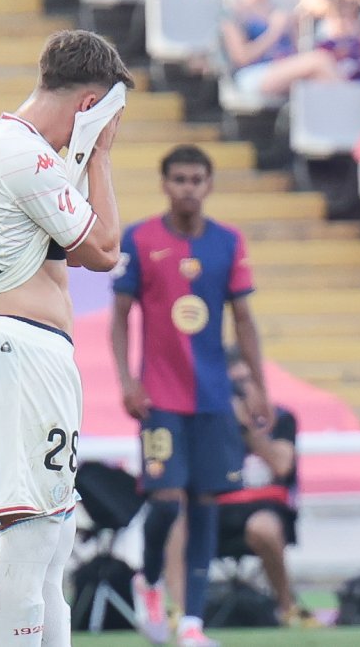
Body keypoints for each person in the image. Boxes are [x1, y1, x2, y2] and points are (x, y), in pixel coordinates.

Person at [0, 29, 132, 647]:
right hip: (20, 351)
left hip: (28, 350)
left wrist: (80, 154)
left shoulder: (10, 145)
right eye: (107, 115)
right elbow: (105, 250)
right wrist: (101, 153)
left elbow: (77, 249)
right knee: (32, 537)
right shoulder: (21, 152)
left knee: (56, 538)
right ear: (90, 105)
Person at [110, 144, 269, 647]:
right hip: (159, 400)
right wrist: (126, 380)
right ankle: (151, 579)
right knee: (164, 504)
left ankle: (193, 623)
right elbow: (119, 317)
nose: (188, 188)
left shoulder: (228, 242)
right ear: (164, 183)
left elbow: (244, 320)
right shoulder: (139, 239)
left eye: (197, 179)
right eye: (179, 178)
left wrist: (259, 387)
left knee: (205, 507)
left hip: (214, 400)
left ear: (209, 185)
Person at [215, 350, 315, 626]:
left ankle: (287, 606)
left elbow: (281, 465)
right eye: (233, 384)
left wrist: (247, 427)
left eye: (246, 381)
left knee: (263, 528)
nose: (242, 390)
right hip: (219, 509)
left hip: (265, 507)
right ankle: (182, 613)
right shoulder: (211, 422)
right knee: (177, 520)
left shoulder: (280, 418)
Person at [221, 0, 341, 98]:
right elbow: (242, 58)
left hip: (282, 68)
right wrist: (274, 32)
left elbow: (296, 52)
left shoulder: (278, 11)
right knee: (319, 60)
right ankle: (352, 107)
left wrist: (295, 28)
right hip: (252, 75)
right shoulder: (233, 12)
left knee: (321, 77)